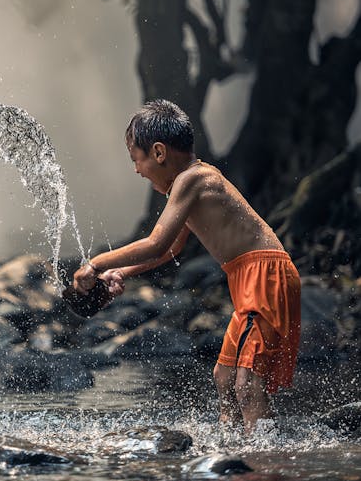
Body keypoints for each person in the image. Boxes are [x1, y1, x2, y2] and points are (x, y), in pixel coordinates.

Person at [73, 100, 301, 432]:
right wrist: (122, 272)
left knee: (247, 383)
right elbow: (169, 251)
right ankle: (233, 448)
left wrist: (94, 264)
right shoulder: (189, 184)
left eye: (137, 160)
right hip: (250, 278)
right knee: (224, 377)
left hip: (265, 277)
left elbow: (156, 243)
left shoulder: (194, 178)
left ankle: (265, 464)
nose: (137, 170)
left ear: (160, 153)